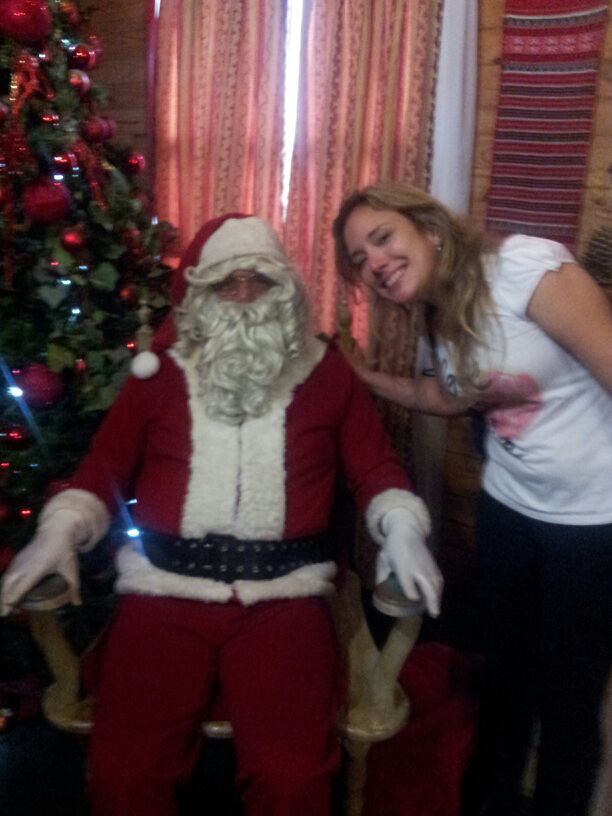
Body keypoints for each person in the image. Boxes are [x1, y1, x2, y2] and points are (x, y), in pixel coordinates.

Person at [0, 213, 442, 816]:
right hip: (162, 592)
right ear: (201, 293)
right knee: (125, 775)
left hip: (284, 598)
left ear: (284, 288)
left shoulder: (326, 373)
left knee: (293, 780)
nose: (243, 294)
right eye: (226, 282)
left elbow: (376, 471)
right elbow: (102, 470)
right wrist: (58, 530)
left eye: (258, 279)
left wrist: (403, 530)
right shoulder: (158, 377)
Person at [332, 183, 612, 816]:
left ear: (430, 229)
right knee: (503, 675)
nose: (374, 263)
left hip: (591, 523)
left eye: (383, 238)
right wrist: (363, 378)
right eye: (359, 259)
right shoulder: (437, 312)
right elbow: (451, 397)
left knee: (568, 695)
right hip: (508, 510)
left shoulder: (523, 269)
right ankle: (489, 799)